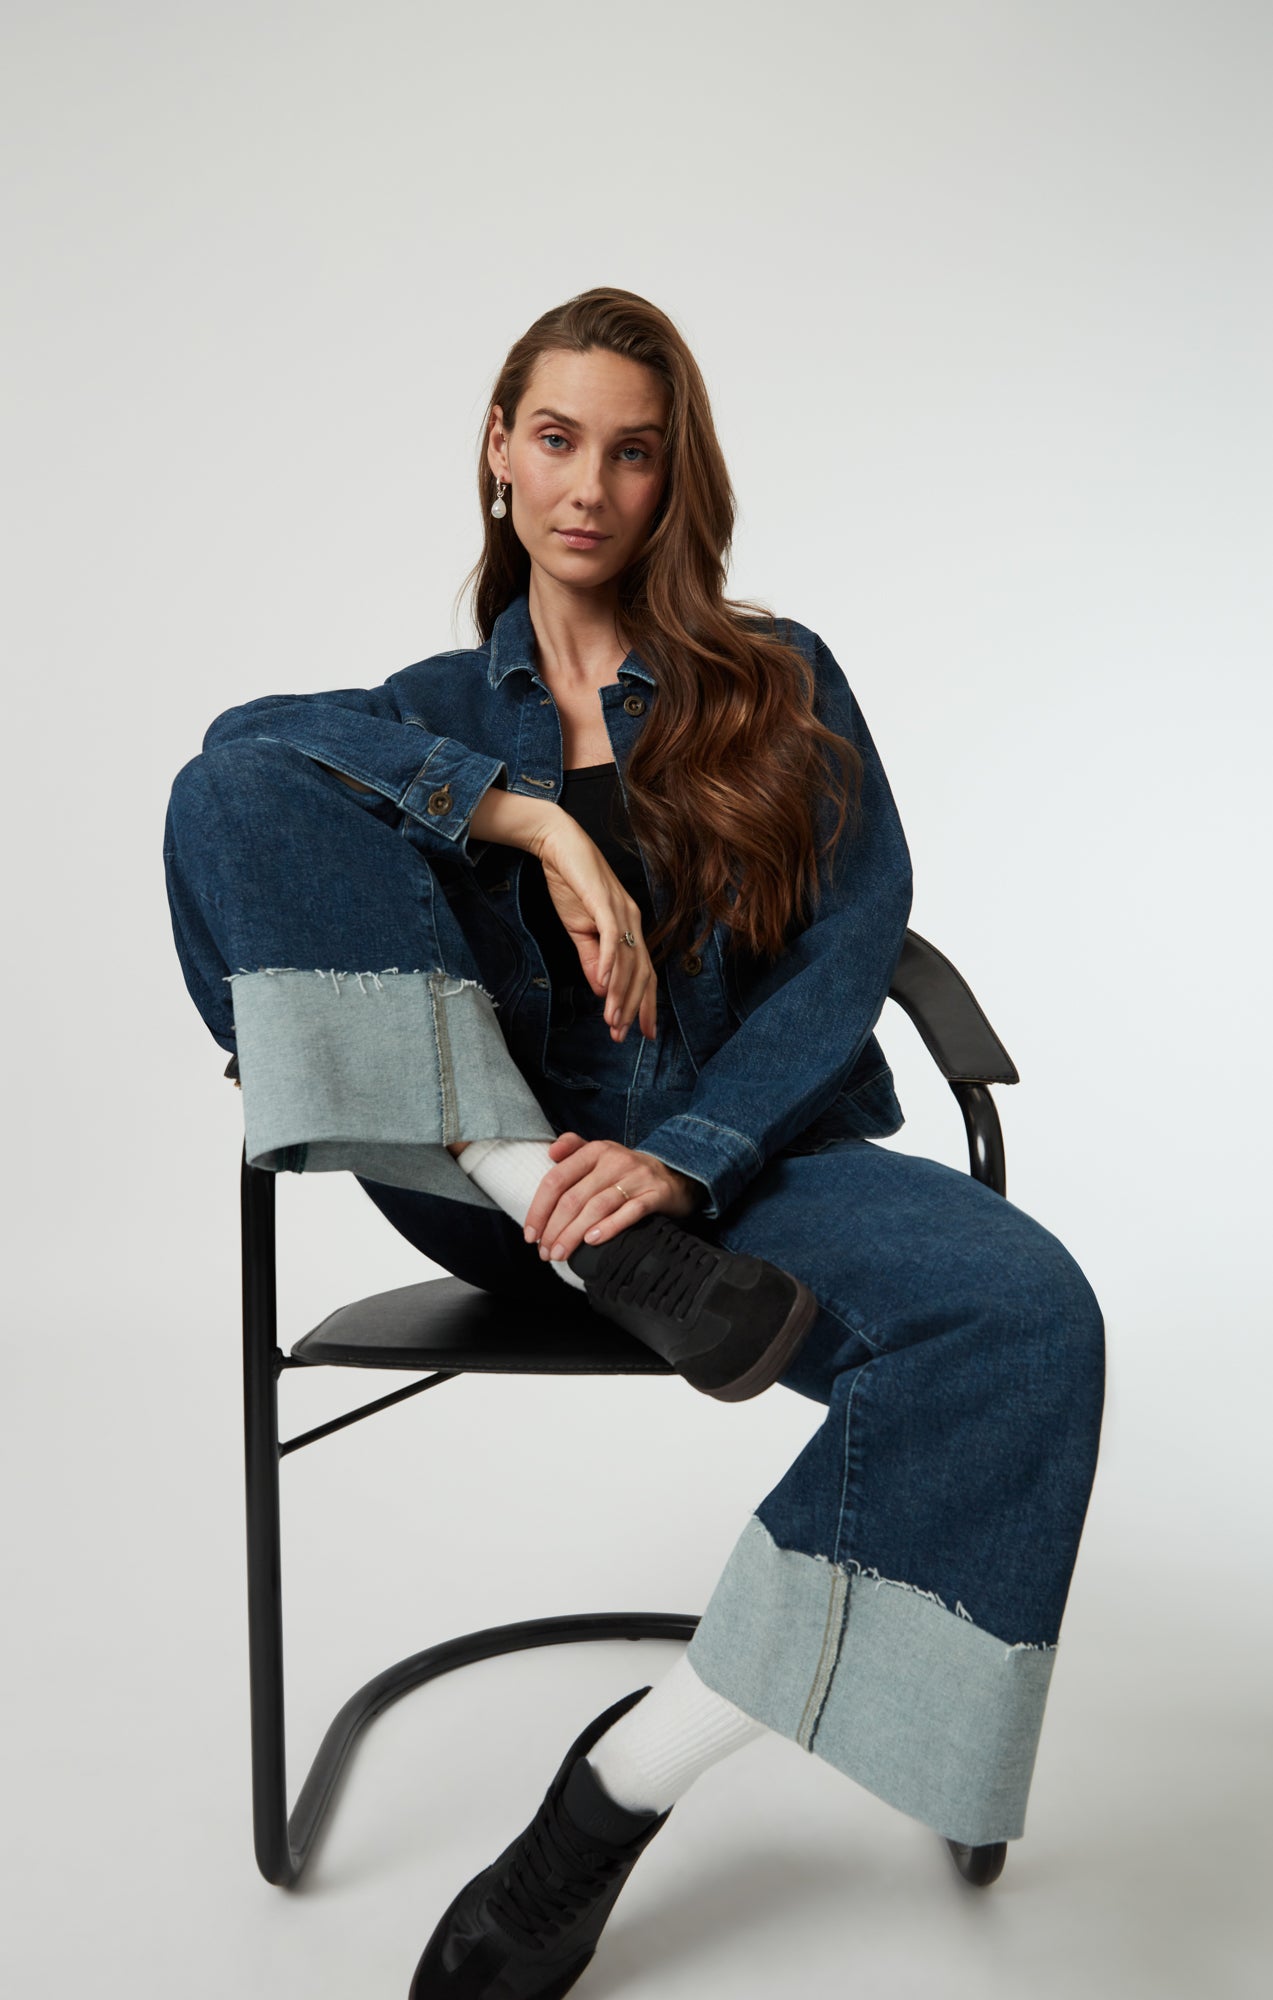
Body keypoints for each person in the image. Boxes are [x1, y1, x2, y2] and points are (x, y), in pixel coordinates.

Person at [163, 287, 1106, 2000]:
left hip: (742, 1180)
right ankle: (558, 1201)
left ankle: (621, 1787)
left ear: (676, 479)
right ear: (497, 451)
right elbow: (240, 756)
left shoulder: (774, 677)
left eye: (632, 452)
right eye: (555, 438)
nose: (587, 485)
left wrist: (688, 1154)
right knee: (229, 789)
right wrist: (523, 815)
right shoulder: (430, 706)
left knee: (1028, 1321)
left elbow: (853, 940)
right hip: (494, 1180)